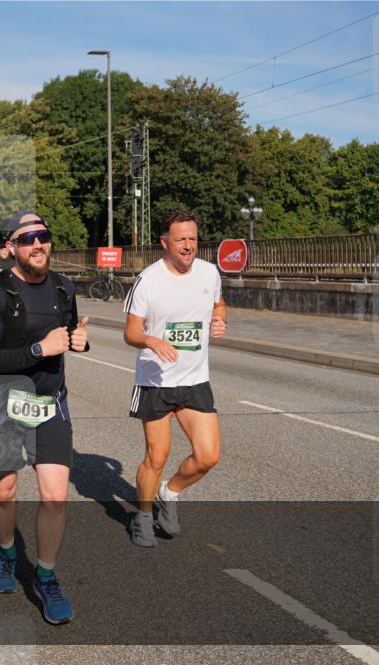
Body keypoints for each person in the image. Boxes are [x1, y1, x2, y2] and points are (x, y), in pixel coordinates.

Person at [0, 211, 89, 625]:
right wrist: (40, 350)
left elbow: (71, 333)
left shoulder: (63, 287)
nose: (38, 244)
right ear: (12, 248)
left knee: (55, 494)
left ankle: (45, 575)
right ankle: (5, 552)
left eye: (43, 236)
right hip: (0, 403)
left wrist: (79, 342)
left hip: (49, 403)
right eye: (27, 239)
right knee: (4, 490)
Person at [123, 210, 225, 547]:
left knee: (208, 455)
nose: (188, 245)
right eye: (180, 239)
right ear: (164, 242)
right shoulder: (149, 281)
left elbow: (218, 305)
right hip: (155, 380)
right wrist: (151, 340)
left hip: (195, 379)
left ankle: (170, 491)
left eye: (193, 238)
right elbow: (131, 332)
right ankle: (142, 516)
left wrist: (219, 320)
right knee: (157, 456)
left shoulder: (210, 273)